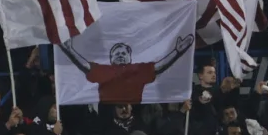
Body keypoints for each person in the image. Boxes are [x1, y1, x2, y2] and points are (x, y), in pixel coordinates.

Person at [59, 36, 194, 104]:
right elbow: (85, 66)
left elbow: (159, 66)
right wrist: (69, 50)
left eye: (123, 53)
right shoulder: (104, 70)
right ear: (111, 59)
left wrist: (177, 52)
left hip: (136, 110)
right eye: (116, 53)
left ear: (130, 58)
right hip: (107, 113)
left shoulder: (139, 69)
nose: (120, 55)